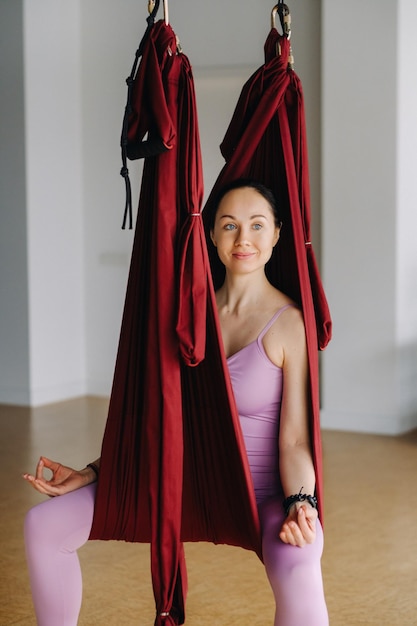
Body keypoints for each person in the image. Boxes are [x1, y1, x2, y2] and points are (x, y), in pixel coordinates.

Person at [23, 180, 328, 626]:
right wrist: (97, 472)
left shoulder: (289, 325)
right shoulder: (188, 315)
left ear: (278, 234)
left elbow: (296, 439)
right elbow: (158, 419)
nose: (243, 239)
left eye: (257, 225)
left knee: (300, 562)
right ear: (210, 235)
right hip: (177, 489)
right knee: (43, 525)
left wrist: (303, 502)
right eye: (229, 226)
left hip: (257, 498)